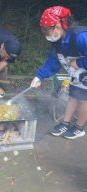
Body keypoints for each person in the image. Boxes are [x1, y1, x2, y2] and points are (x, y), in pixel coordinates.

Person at [30, 6, 87, 139]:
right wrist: (39, 76)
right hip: (77, 74)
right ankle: (65, 123)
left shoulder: (80, 37)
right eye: (43, 31)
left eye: (47, 30)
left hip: (83, 71)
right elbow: (52, 63)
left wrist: (78, 63)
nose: (45, 35)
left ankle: (79, 127)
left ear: (58, 25)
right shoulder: (57, 42)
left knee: (84, 100)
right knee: (73, 96)